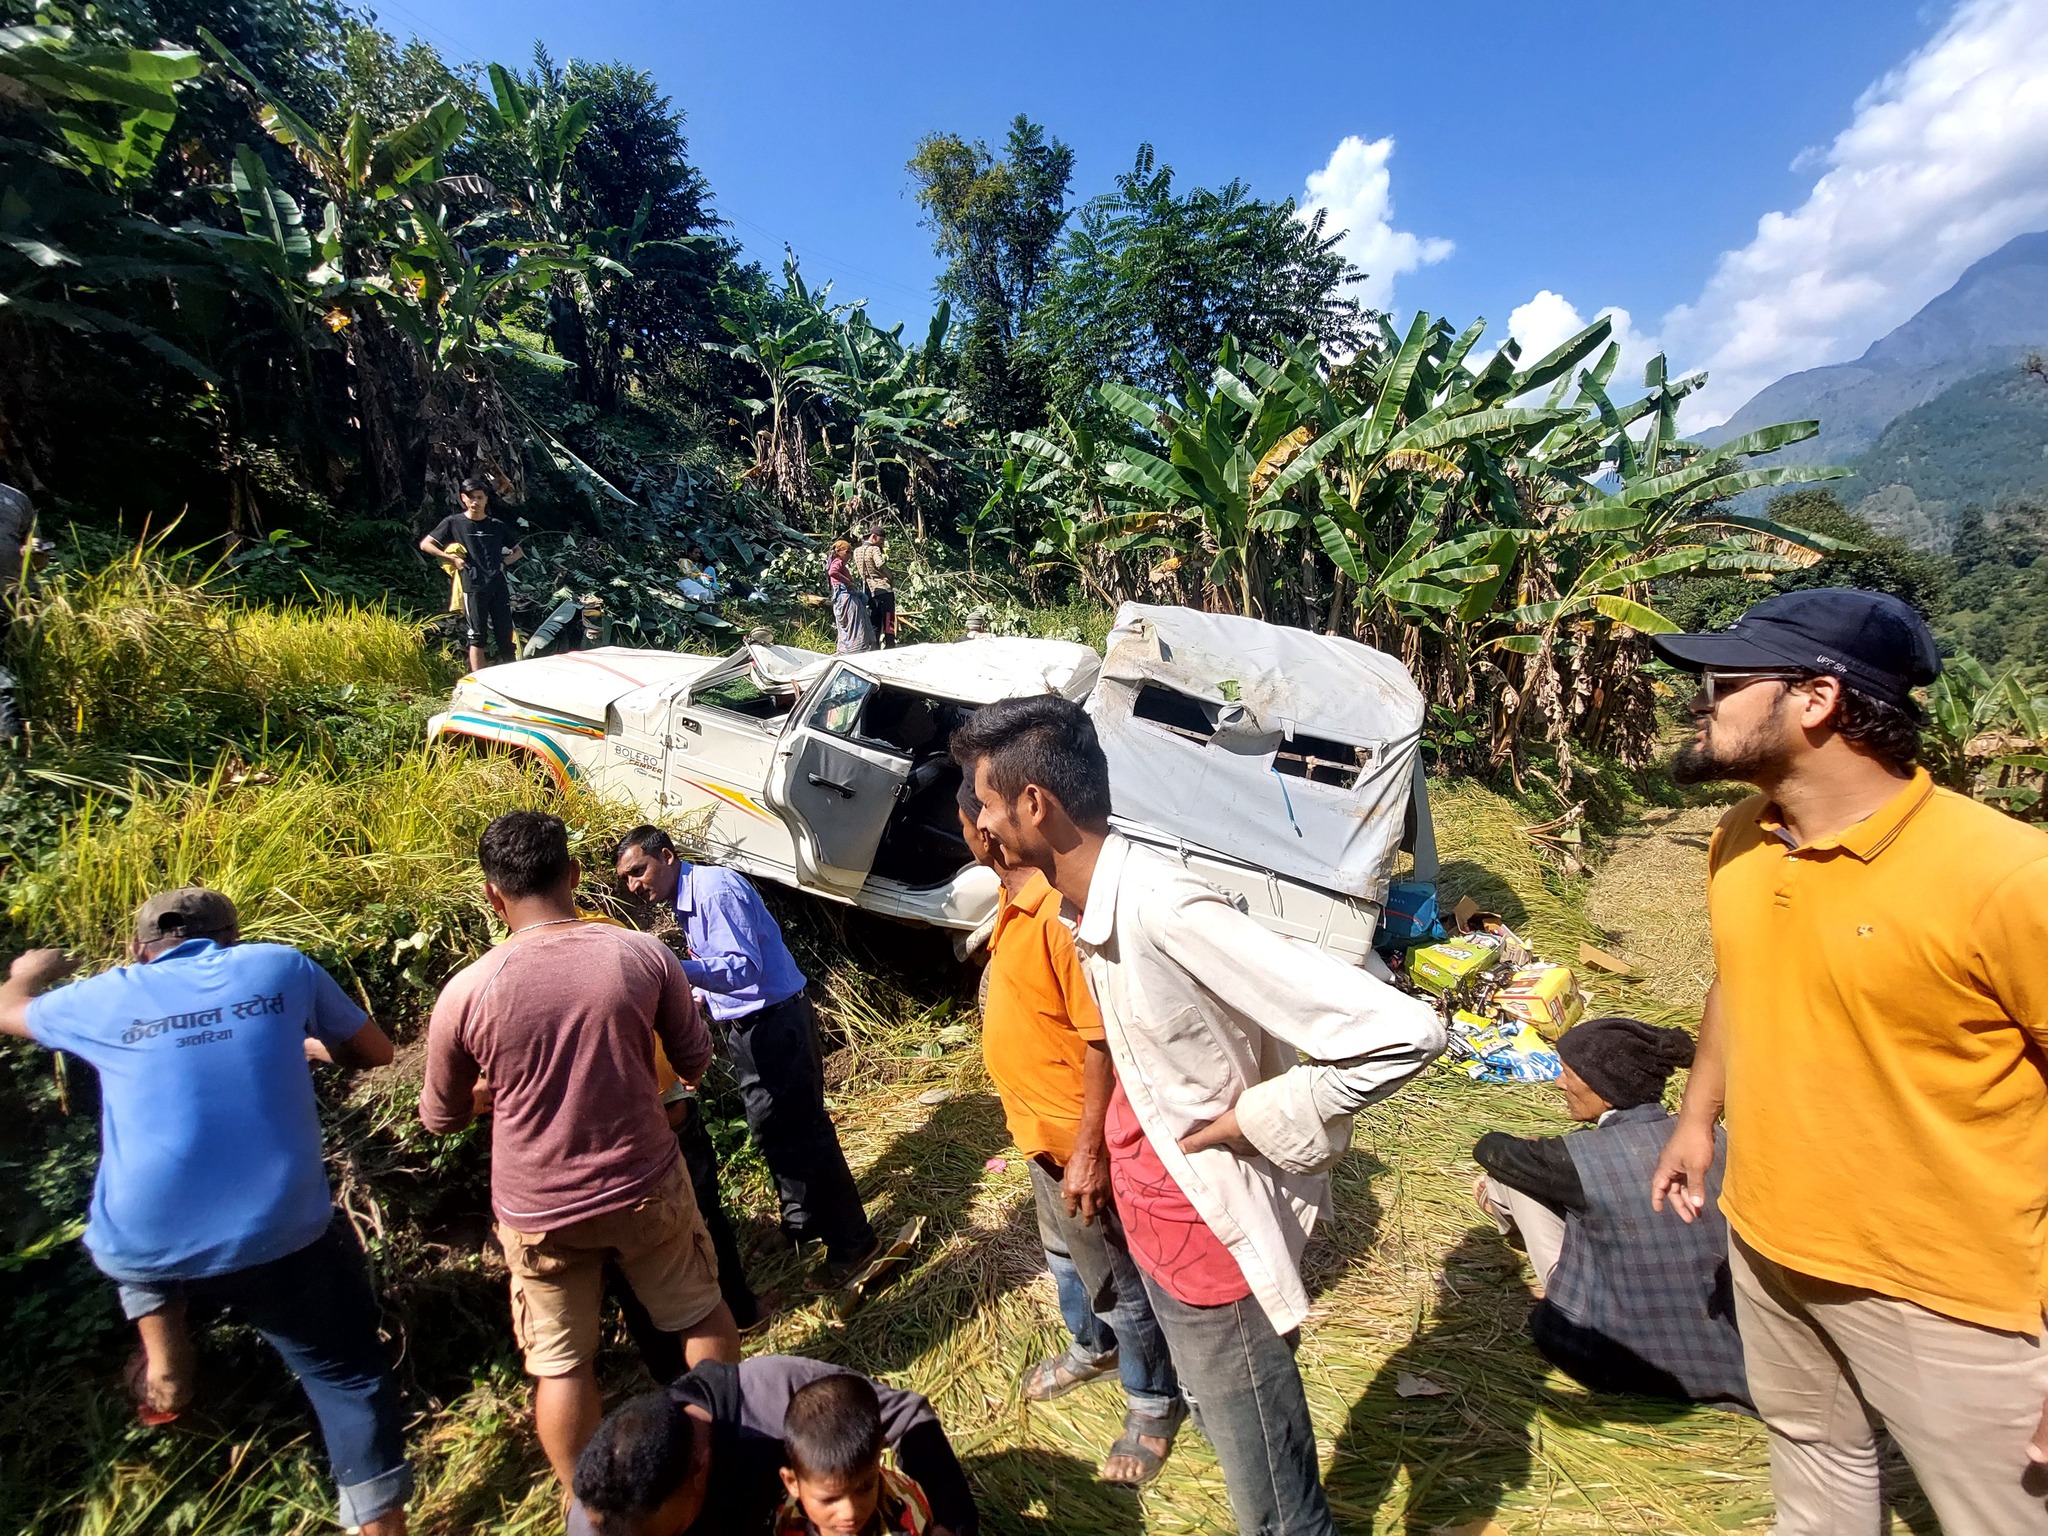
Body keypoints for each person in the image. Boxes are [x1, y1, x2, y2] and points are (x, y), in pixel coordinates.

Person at [951, 696, 1445, 1536]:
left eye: (989, 804)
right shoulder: (1084, 912)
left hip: (1210, 1254)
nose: (983, 826)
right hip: (1162, 1235)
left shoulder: (1161, 908)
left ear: (1035, 804)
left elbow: (1402, 1032)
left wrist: (1261, 1117)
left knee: (1277, 1508)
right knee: (1236, 1437)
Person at [1646, 588, 2048, 1534]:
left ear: (1816, 701)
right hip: (1768, 1236)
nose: (1701, 698)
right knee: (1814, 1456)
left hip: (1950, 1291)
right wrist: (1697, 1120)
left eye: (1726, 681)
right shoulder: (1743, 835)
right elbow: (1740, 980)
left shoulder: (2005, 879)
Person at [0, 888, 411, 1535]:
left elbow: (10, 1011)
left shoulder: (108, 994)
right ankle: (377, 1523)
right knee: (346, 1378)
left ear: (141, 950)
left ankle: (166, 1368)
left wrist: (26, 971)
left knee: (151, 1269)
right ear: (232, 936)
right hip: (277, 1232)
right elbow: (378, 1055)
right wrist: (300, 1046)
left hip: (142, 1240)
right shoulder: (279, 967)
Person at [420, 811, 740, 1492]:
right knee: (699, 1315)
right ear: (572, 876)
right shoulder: (638, 954)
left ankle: (588, 1508)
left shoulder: (467, 992)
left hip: (539, 1206)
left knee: (562, 1366)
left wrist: (489, 1094)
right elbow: (694, 1059)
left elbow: (441, 1118)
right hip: (644, 1180)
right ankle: (713, 1460)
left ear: (492, 895)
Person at [958, 778, 1185, 1484]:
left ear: (986, 834)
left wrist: (1088, 1151)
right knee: (1064, 1257)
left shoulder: (1060, 914)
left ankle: (1152, 1403)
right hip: (1040, 1139)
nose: (968, 830)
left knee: (1116, 1278)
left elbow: (1101, 1039)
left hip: (1078, 1145)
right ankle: (1092, 1348)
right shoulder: (1008, 898)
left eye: (968, 820)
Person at [614, 826, 880, 1289]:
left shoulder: (714, 890)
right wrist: (694, 992)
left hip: (776, 1022)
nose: (635, 884)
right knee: (772, 1128)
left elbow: (743, 967)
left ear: (668, 856)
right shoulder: (686, 899)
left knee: (805, 1131)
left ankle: (855, 1245)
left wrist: (672, 969)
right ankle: (802, 1223)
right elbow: (723, 966)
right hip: (751, 1027)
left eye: (639, 871)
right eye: (627, 878)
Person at [1473, 1016, 1748, 1406]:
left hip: (1621, 1359)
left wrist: (1534, 1146)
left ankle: (1549, 1272)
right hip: (1725, 1356)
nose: (1559, 1083)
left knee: (1511, 1178)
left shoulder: (1576, 1158)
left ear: (1603, 1088)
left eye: (1568, 1074)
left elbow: (1490, 1148)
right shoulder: (1715, 1140)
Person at [567, 1354, 977, 1536]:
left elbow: (907, 1415)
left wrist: (951, 1522)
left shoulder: (769, 1397)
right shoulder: (602, 1521)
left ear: (699, 1467)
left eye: (674, 1532)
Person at [774, 1373, 932, 1535]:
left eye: (865, 1488)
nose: (850, 1512)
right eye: (829, 1500)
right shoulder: (778, 1513)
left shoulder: (905, 1522)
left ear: (878, 1456)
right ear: (793, 1483)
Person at [419, 476, 524, 672]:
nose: (476, 501)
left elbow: (518, 551)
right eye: (471, 497)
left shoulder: (496, 525)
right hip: (473, 585)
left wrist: (503, 563)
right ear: (463, 499)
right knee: (477, 635)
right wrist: (451, 559)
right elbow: (426, 544)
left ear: (486, 499)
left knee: (505, 634)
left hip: (498, 585)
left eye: (480, 497)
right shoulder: (453, 523)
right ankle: (478, 681)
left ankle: (513, 676)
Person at [825, 538, 872, 654]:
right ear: (838, 552)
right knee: (854, 624)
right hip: (845, 597)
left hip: (843, 597)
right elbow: (832, 572)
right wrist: (847, 581)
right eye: (847, 552)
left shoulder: (838, 563)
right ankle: (855, 649)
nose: (850, 556)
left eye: (851, 552)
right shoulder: (838, 562)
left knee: (848, 625)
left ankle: (848, 649)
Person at [852, 527, 894, 648]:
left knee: (875, 620)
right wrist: (890, 576)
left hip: (869, 591)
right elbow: (880, 564)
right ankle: (890, 645)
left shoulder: (857, 551)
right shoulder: (874, 549)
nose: (882, 544)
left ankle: (874, 646)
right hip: (884, 590)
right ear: (873, 537)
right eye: (881, 541)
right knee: (888, 619)